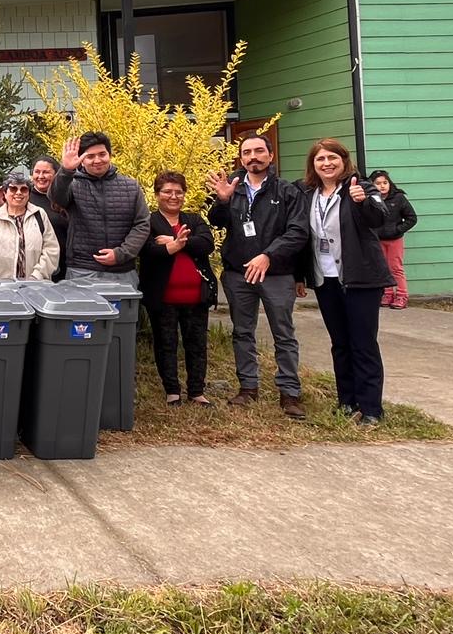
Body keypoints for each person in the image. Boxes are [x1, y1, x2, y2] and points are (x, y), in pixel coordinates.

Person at [207, 133, 309, 418]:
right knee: (242, 332)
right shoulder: (234, 188)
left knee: (283, 333)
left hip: (276, 274)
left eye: (259, 151)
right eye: (247, 152)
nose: (253, 157)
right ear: (241, 158)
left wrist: (268, 255)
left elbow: (298, 232)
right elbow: (216, 222)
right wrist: (223, 201)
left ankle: (290, 393)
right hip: (238, 274)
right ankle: (247, 387)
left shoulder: (288, 191)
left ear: (270, 155)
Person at [296, 139, 393, 425]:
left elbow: (378, 219)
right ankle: (347, 402)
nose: (326, 163)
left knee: (363, 343)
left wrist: (362, 201)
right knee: (340, 343)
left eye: (332, 158)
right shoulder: (309, 193)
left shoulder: (361, 187)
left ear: (343, 160)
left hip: (360, 278)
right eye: (320, 159)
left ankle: (372, 408)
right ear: (313, 165)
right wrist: (300, 275)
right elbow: (304, 237)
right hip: (325, 279)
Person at [138, 172, 217, 407]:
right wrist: (169, 248)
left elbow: (206, 244)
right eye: (167, 192)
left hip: (195, 296)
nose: (173, 196)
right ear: (157, 195)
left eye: (178, 192)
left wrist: (176, 243)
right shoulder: (148, 222)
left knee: (197, 344)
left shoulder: (193, 219)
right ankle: (172, 390)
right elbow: (146, 250)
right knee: (166, 343)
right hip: (163, 297)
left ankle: (196, 391)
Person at [48, 132, 149, 286]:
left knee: (123, 310)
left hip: (122, 272)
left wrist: (121, 254)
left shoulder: (131, 186)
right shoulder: (74, 184)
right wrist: (66, 171)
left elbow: (142, 224)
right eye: (90, 156)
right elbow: (56, 197)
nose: (97, 160)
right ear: (82, 160)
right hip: (82, 269)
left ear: (110, 155)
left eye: (102, 154)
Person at [0, 168, 59, 282]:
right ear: (5, 193)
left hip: (35, 287)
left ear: (28, 194)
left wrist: (37, 276)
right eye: (13, 189)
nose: (18, 193)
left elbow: (51, 249)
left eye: (23, 189)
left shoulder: (39, 214)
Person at [369, 169, 417, 310]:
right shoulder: (371, 199)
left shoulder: (399, 198)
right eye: (378, 183)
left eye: (385, 182)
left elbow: (412, 218)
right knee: (383, 268)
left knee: (396, 268)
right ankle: (388, 293)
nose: (382, 186)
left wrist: (397, 230)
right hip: (378, 240)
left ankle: (402, 295)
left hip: (395, 240)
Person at [29, 155, 69, 281]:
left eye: (46, 172)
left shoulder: (65, 197)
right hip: (35, 267)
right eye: (37, 172)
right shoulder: (24, 198)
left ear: (56, 175)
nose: (41, 176)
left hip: (65, 265)